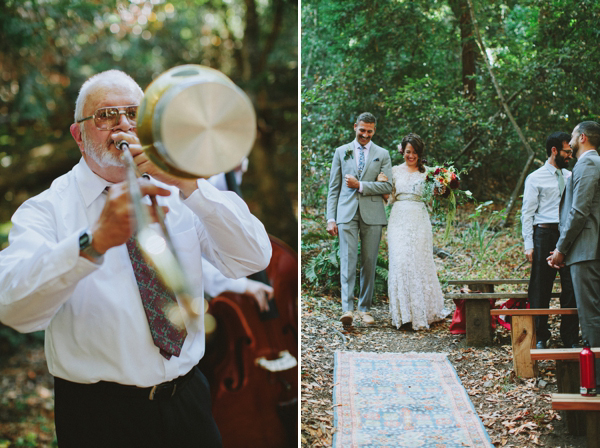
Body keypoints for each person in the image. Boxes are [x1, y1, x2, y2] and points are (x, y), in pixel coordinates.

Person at [0, 70, 271, 448]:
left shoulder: (182, 190)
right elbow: (12, 308)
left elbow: (252, 256)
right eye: (106, 115)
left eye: (133, 114)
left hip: (189, 399)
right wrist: (91, 244)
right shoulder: (46, 209)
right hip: (99, 416)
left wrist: (191, 187)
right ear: (79, 135)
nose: (123, 125)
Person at [326, 112, 392, 326]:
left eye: (369, 131)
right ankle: (347, 309)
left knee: (369, 262)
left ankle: (365, 309)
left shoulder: (382, 154)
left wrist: (360, 185)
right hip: (346, 214)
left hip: (372, 214)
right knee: (347, 260)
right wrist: (330, 218)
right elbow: (333, 188)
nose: (365, 134)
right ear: (355, 126)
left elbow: (387, 186)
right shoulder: (341, 152)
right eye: (362, 130)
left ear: (374, 130)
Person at [548, 120, 600, 383]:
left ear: (582, 137)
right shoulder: (588, 163)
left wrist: (560, 249)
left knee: (591, 317)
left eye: (572, 135)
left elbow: (579, 211)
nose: (570, 139)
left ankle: (596, 382)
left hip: (587, 251)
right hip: (587, 250)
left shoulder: (589, 163)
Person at [383, 133, 449, 330]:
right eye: (408, 152)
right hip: (398, 218)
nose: (411, 156)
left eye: (415, 153)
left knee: (419, 261)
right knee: (400, 260)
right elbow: (388, 197)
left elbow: (434, 198)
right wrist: (381, 183)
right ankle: (403, 314)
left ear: (420, 154)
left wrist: (441, 190)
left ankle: (423, 312)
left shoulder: (429, 173)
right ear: (402, 151)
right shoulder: (393, 170)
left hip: (419, 218)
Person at [521, 132, 579, 349]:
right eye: (566, 151)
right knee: (540, 287)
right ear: (554, 150)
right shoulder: (535, 178)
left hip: (568, 236)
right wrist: (529, 244)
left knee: (571, 286)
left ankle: (570, 337)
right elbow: (527, 213)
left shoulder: (572, 176)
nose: (569, 155)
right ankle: (541, 336)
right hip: (544, 235)